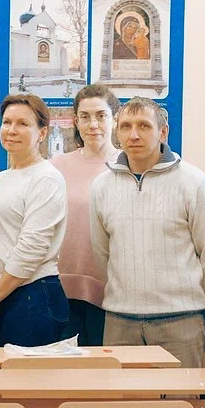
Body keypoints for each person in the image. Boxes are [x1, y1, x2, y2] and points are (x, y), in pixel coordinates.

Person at [90, 98, 205, 369]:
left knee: (181, 395)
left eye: (144, 126)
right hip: (120, 320)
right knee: (122, 395)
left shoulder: (193, 182)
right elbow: (102, 252)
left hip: (180, 320)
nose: (134, 135)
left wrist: (189, 298)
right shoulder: (101, 186)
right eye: (126, 126)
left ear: (163, 132)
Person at [0, 94, 68, 347]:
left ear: (42, 133)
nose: (12, 130)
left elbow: (31, 249)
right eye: (7, 122)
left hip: (30, 297)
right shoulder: (1, 178)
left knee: (20, 373)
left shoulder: (46, 178)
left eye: (23, 124)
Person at [50, 85, 120, 346]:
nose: (93, 125)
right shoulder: (58, 165)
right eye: (85, 117)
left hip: (111, 290)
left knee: (104, 366)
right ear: (76, 121)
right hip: (62, 288)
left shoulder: (126, 165)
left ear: (115, 119)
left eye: (101, 116)